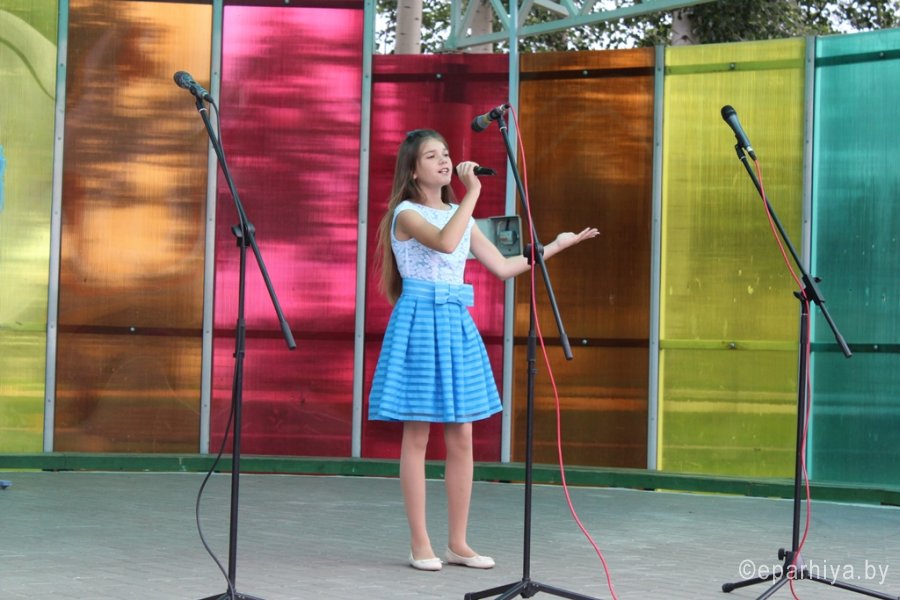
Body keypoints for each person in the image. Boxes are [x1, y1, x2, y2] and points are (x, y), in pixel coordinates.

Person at [368, 129, 599, 571]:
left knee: (463, 434)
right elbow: (445, 242)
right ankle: (420, 543)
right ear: (412, 170)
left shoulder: (460, 215)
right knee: (417, 435)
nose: (444, 161)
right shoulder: (406, 213)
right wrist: (472, 192)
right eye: (432, 156)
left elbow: (504, 266)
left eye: (446, 154)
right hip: (419, 321)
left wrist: (556, 245)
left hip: (455, 323)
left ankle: (458, 543)